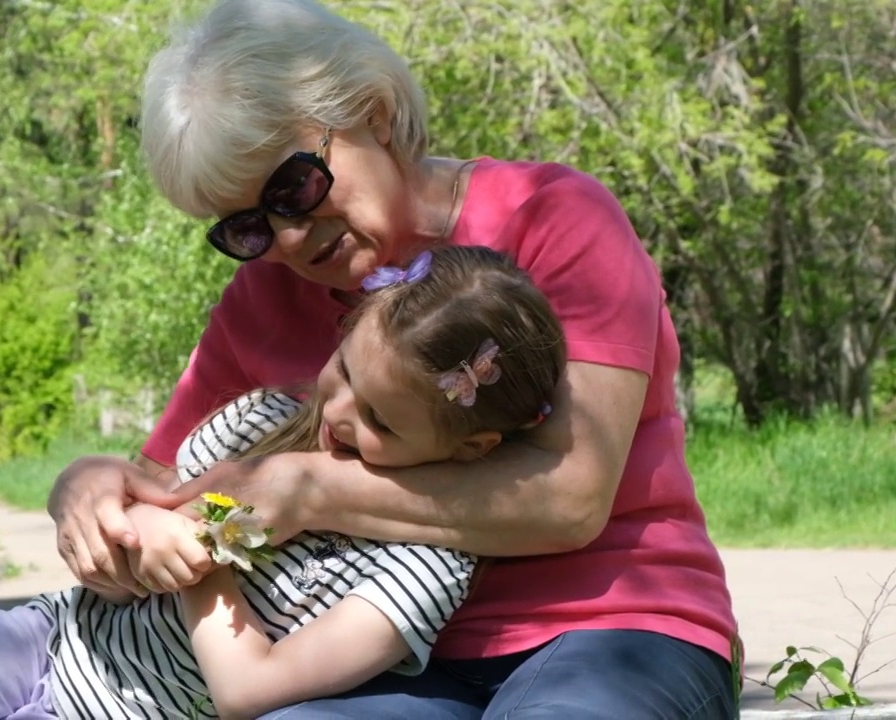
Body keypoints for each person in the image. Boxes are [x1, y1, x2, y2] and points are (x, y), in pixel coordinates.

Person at [49, 0, 740, 717]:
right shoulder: (263, 298)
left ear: (374, 114)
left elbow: (572, 500)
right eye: (249, 225)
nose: (287, 239)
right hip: (388, 665)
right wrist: (86, 487)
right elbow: (163, 486)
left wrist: (311, 489)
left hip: (613, 628)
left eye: (293, 187)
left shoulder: (553, 217)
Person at [0, 246, 567, 720]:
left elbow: (251, 688)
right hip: (50, 638)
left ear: (471, 447)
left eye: (384, 423)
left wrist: (203, 569)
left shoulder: (422, 569)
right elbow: (139, 495)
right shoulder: (267, 426)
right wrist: (98, 490)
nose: (339, 415)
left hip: (139, 712)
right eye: (343, 370)